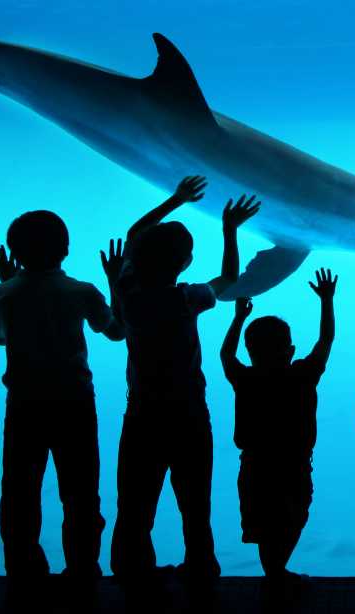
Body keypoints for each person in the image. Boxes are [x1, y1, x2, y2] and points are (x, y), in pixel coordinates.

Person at [106, 175, 259, 589]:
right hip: (188, 415)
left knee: (135, 504)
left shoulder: (128, 294)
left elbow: (134, 235)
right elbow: (229, 277)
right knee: (195, 506)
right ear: (186, 263)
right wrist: (230, 229)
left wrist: (175, 200)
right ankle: (201, 574)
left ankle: (132, 576)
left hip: (142, 415)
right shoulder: (188, 298)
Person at [0, 210, 125, 589]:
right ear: (66, 249)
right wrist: (115, 282)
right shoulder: (81, 291)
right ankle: (83, 571)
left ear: (14, 253)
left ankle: (24, 572)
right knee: (81, 491)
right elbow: (116, 331)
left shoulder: (4, 293)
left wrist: (8, 283)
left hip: (24, 403)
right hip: (74, 403)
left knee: (19, 490)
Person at [220, 268, 336, 598]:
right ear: (290, 349)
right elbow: (325, 341)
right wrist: (327, 302)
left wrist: (238, 318)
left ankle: (275, 573)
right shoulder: (302, 374)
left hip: (255, 466)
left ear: (251, 352)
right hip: (293, 466)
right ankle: (276, 576)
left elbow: (226, 355)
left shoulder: (246, 379)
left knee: (266, 525)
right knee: (291, 519)